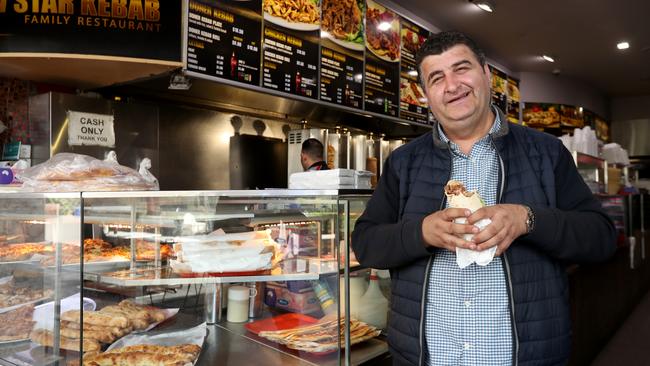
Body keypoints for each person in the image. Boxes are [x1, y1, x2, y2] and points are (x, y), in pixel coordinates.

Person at [351, 31, 616, 366]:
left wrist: (527, 219)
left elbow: (601, 237)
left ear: (487, 75)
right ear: (426, 95)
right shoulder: (404, 163)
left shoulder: (545, 153)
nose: (452, 85)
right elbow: (365, 242)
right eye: (437, 77)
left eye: (462, 69)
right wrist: (422, 232)